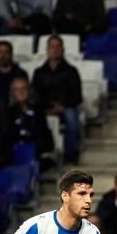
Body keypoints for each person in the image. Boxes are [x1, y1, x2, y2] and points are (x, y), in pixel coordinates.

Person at [32, 35, 83, 164]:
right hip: (44, 106)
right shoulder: (39, 72)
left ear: (62, 49)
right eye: (51, 47)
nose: (54, 50)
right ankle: (43, 155)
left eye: (57, 47)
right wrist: (45, 108)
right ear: (47, 50)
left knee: (71, 119)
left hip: (66, 106)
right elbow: (34, 94)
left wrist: (62, 106)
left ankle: (70, 154)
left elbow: (77, 95)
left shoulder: (71, 71)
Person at [4, 77, 54, 166]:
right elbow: (7, 137)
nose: (20, 92)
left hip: (35, 151)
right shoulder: (8, 112)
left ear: (29, 91)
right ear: (13, 93)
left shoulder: (38, 111)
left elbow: (44, 135)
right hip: (15, 152)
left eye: (24, 88)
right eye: (17, 89)